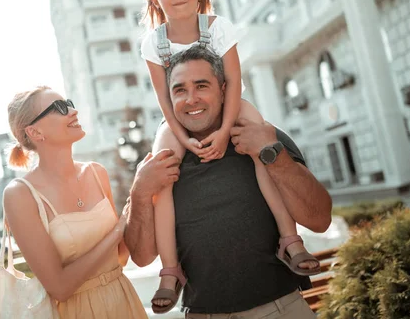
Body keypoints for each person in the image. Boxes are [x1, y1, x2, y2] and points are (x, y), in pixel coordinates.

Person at [139, 0, 320, 313]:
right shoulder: (152, 43)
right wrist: (183, 139)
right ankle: (171, 271)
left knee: (262, 144)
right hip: (180, 118)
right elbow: (165, 98)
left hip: (231, 103)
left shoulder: (218, 27)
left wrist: (224, 132)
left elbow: (233, 81)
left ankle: (291, 240)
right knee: (161, 171)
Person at [125, 46, 333, 318]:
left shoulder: (261, 134)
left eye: (202, 86)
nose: (191, 99)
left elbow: (320, 219)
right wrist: (140, 192)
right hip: (202, 313)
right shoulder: (159, 163)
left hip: (281, 307)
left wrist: (270, 154)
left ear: (224, 90)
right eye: (180, 90)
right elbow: (141, 257)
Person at [2, 86, 147, 319]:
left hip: (124, 301)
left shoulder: (97, 173)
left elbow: (120, 258)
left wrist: (142, 195)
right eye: (59, 108)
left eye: (68, 103)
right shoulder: (20, 195)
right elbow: (59, 287)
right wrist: (118, 229)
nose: (73, 111)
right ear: (35, 132)